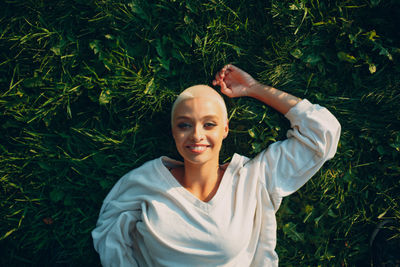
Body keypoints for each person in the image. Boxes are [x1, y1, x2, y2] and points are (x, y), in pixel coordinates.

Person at [92, 64, 341, 266]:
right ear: (173, 132)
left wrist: (254, 88)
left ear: (225, 129)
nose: (197, 135)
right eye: (184, 125)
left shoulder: (252, 180)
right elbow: (109, 235)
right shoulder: (145, 182)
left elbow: (322, 133)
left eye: (209, 124)